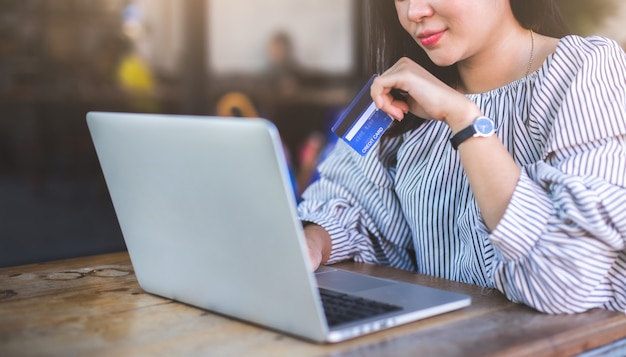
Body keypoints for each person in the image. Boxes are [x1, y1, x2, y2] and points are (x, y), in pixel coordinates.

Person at [297, 0, 626, 314]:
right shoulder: (396, 94)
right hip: (447, 342)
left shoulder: (588, 68)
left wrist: (464, 119)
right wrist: (311, 243)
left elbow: (567, 279)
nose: (415, 11)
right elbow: (353, 208)